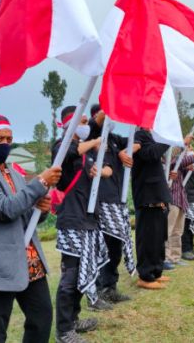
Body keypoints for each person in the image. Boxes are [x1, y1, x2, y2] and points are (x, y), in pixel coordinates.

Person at [0, 115, 62, 343]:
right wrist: (39, 183)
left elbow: (25, 215)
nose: (5, 143)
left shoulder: (14, 174)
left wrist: (42, 209)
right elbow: (5, 210)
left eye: (9, 139)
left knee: (42, 317)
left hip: (29, 260)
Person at [54, 106, 109, 343]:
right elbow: (70, 151)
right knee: (70, 276)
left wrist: (98, 171)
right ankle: (64, 331)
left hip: (88, 220)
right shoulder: (60, 145)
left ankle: (74, 320)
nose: (86, 124)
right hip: (71, 221)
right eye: (82, 120)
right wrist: (96, 140)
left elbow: (87, 171)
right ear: (69, 123)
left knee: (81, 273)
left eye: (87, 120)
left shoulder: (86, 156)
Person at [88, 105, 137, 305]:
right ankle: (99, 288)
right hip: (99, 202)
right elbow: (96, 122)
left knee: (116, 246)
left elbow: (136, 142)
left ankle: (111, 287)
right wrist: (111, 102)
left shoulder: (114, 139)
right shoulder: (91, 136)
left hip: (117, 201)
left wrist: (123, 153)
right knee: (103, 247)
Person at [132, 128, 171, 290]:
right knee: (148, 238)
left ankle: (156, 271)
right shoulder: (139, 135)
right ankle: (145, 276)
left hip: (157, 195)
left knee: (158, 239)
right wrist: (168, 138)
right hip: (147, 196)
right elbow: (151, 153)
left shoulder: (151, 136)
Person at [166, 136, 194, 268]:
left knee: (178, 231)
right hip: (171, 198)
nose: (187, 150)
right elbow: (172, 163)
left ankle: (175, 257)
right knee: (168, 230)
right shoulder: (168, 156)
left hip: (181, 198)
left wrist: (188, 167)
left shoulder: (180, 161)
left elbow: (181, 165)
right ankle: (166, 258)